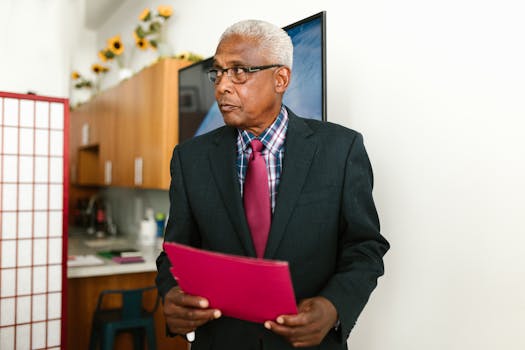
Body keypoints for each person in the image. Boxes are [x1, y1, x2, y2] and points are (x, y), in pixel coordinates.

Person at [156, 19, 389, 349]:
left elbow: (364, 247)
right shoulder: (190, 158)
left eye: (238, 71)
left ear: (280, 78)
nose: (222, 86)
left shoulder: (340, 149)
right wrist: (171, 293)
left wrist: (333, 306)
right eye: (217, 72)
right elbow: (174, 252)